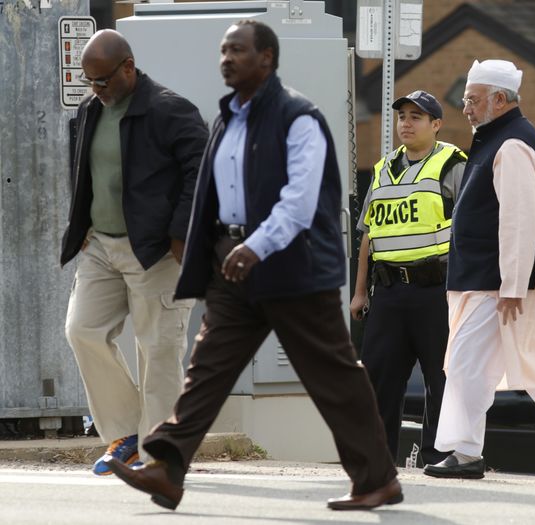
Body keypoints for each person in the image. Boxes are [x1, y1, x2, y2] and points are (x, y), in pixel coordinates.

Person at [106, 20, 403, 511]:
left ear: (266, 58)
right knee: (207, 369)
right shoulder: (227, 119)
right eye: (223, 51)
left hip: (294, 270)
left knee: (333, 376)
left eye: (237, 50)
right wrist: (215, 249)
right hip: (236, 269)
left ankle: (377, 479)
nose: (226, 59)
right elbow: (215, 195)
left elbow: (301, 200)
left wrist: (257, 246)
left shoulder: (298, 117)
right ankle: (166, 467)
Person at [423, 59, 535, 479]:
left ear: (498, 100)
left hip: (499, 285)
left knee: (502, 366)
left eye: (472, 99)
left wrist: (513, 285)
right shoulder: (496, 138)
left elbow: (520, 219)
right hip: (490, 281)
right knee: (514, 368)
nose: (465, 107)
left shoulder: (513, 142)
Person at [60, 29, 208, 476]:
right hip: (102, 247)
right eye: (90, 81)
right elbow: (83, 167)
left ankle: (159, 452)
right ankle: (125, 433)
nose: (95, 90)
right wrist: (81, 222)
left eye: (103, 80)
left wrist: (181, 234)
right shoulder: (90, 110)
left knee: (158, 350)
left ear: (128, 67)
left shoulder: (170, 110)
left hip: (158, 251)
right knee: (82, 330)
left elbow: (201, 170)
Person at [350, 90, 466, 467]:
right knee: (378, 380)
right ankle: (376, 458)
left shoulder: (452, 164)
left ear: (436, 124)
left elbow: (471, 227)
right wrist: (358, 292)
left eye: (417, 117)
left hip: (436, 291)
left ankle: (438, 456)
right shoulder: (383, 168)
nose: (407, 123)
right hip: (388, 292)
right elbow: (369, 234)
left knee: (441, 380)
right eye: (402, 116)